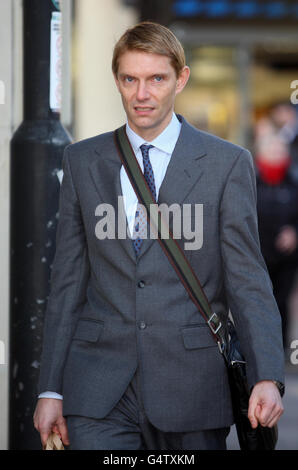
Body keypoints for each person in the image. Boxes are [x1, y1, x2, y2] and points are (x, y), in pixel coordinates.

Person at [33, 22, 284, 451]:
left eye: (156, 79)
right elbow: (68, 281)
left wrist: (267, 374)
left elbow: (248, 279)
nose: (142, 93)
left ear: (180, 79)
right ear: (117, 80)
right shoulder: (81, 161)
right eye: (130, 79)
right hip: (98, 389)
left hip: (192, 387)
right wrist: (50, 388)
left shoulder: (226, 165)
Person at [254, 127, 298, 350]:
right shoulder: (252, 181)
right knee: (259, 303)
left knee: (281, 302)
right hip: (257, 256)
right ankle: (260, 347)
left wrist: (294, 232)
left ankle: (279, 348)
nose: (277, 152)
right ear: (261, 152)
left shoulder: (293, 181)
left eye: (281, 148)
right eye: (272, 148)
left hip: (286, 258)